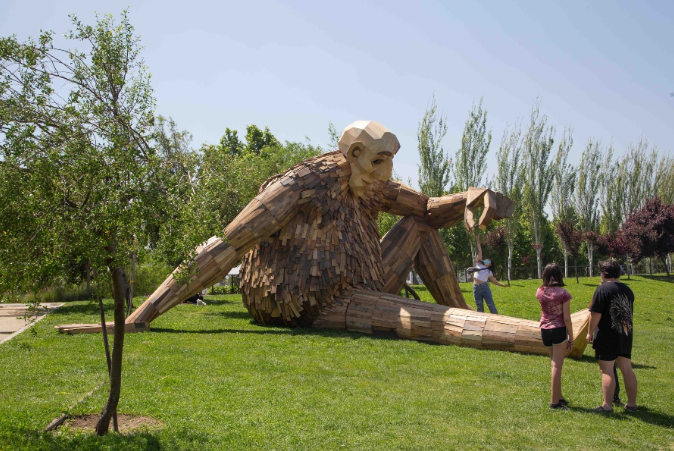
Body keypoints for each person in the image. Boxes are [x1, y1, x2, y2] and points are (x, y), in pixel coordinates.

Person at [587, 260, 638, 413]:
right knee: (627, 369)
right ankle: (631, 404)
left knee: (607, 370)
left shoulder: (603, 289)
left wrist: (590, 331)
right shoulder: (628, 290)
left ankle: (607, 405)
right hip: (625, 334)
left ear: (603, 273)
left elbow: (595, 313)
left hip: (607, 335)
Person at [536, 263, 574, 409]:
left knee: (554, 363)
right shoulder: (563, 294)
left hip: (545, 330)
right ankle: (554, 402)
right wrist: (571, 338)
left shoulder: (540, 291)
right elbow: (567, 319)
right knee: (557, 365)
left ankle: (559, 396)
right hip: (559, 330)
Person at [471, 233, 508, 314]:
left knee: (490, 305)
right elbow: (480, 251)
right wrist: (478, 242)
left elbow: (494, 281)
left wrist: (504, 285)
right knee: (479, 306)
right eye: (486, 259)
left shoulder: (489, 272)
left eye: (489, 260)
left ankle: (496, 319)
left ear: (490, 264)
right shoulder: (479, 264)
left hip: (484, 288)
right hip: (476, 288)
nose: (486, 260)